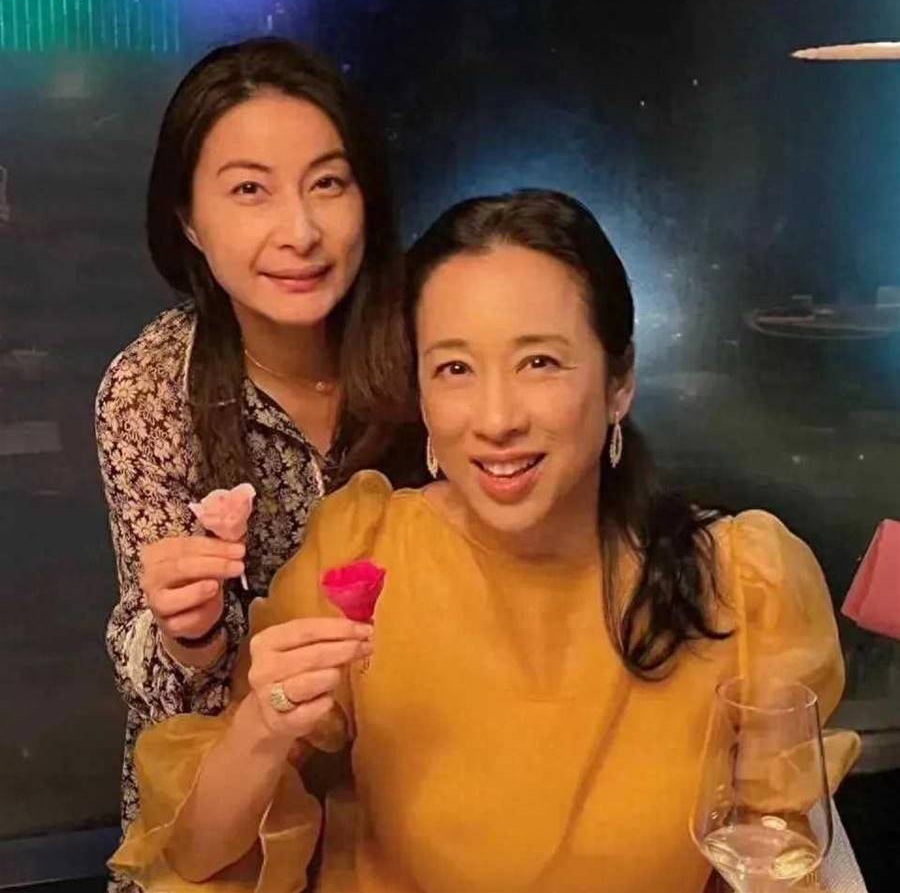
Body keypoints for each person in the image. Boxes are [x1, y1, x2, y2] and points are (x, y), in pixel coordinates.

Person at [110, 190, 855, 893]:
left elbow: (778, 857)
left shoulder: (742, 584)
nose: (496, 419)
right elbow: (201, 853)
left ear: (619, 381)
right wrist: (262, 728)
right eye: (455, 368)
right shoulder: (363, 555)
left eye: (539, 362)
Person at [94, 36, 419, 883]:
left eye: (328, 183)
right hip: (229, 799)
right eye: (249, 190)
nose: (300, 232)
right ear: (188, 221)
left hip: (415, 770)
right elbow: (164, 702)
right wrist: (190, 631)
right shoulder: (152, 388)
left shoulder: (434, 347)